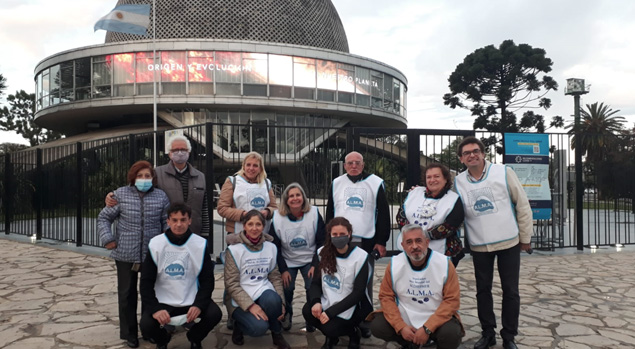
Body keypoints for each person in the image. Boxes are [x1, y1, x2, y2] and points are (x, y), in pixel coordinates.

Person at [453, 136, 532, 349]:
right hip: (479, 244)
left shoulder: (503, 172)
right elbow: (447, 204)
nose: (472, 155)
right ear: (461, 159)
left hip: (508, 241)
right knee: (482, 290)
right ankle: (488, 332)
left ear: (483, 153)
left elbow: (522, 204)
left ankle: (509, 336)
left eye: (475, 151)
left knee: (511, 290)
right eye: (467, 153)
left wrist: (525, 237)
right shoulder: (458, 182)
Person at [98, 160, 170, 348]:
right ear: (133, 177)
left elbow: (166, 222)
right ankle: (129, 333)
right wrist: (108, 238)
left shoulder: (161, 196)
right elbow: (104, 217)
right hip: (125, 254)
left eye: (147, 176)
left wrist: (166, 243)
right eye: (140, 176)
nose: (144, 179)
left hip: (151, 254)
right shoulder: (120, 194)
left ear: (153, 178)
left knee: (150, 294)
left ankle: (149, 330)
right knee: (126, 294)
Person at [139, 203, 222, 349]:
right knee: (146, 325)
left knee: (214, 314)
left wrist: (198, 304)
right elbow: (146, 282)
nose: (179, 224)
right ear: (168, 221)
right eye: (174, 220)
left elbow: (207, 280)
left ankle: (195, 337)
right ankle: (163, 340)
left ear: (189, 220)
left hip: (190, 299)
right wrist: (155, 308)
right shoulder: (156, 244)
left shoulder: (200, 244)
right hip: (164, 301)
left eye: (183, 220)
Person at [326, 151, 390, 337]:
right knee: (340, 280)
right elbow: (330, 212)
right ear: (345, 165)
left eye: (357, 163)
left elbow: (384, 214)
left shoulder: (375, 183)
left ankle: (363, 321)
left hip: (366, 241)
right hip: (340, 240)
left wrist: (381, 241)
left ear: (363, 165)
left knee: (364, 284)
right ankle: (338, 317)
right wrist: (328, 240)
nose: (354, 166)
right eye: (350, 163)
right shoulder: (336, 183)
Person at [369, 224, 464, 349]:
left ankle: (431, 341)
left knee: (452, 333)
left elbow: (452, 301)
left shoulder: (444, 264)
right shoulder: (395, 264)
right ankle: (408, 342)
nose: (414, 246)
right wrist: (401, 327)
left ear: (427, 242)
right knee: (377, 325)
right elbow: (386, 296)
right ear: (403, 246)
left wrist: (427, 328)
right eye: (409, 242)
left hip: (435, 318)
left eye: (418, 241)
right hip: (406, 318)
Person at [106, 135, 210, 237]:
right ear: (169, 154)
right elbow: (137, 190)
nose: (180, 153)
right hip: (166, 234)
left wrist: (205, 233)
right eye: (175, 150)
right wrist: (112, 195)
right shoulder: (157, 173)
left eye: (183, 149)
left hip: (194, 233)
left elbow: (204, 208)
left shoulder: (200, 176)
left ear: (189, 152)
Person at [223, 210, 291, 349]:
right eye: (250, 224)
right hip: (239, 296)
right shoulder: (234, 250)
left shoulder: (270, 247)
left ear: (263, 226)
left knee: (274, 301)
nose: (254, 228)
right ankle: (238, 325)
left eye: (258, 224)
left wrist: (282, 303)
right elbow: (231, 283)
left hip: (262, 290)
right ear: (244, 226)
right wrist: (250, 306)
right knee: (258, 328)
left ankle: (277, 334)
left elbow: (275, 277)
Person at [302, 217, 371, 349]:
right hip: (328, 299)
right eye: (335, 234)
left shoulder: (360, 256)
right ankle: (332, 337)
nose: (338, 237)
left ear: (349, 234)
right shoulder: (322, 253)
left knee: (330, 327)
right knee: (307, 311)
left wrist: (330, 313)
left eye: (342, 234)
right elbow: (315, 283)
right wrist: (316, 301)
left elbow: (358, 293)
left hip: (352, 306)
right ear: (330, 235)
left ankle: (353, 333)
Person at [270, 183, 326, 332]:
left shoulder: (313, 213)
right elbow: (275, 246)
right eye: (291, 196)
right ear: (286, 200)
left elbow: (322, 241)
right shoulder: (277, 217)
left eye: (298, 195)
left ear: (303, 197)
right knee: (287, 288)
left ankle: (311, 317)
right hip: (288, 259)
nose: (295, 198)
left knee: (311, 287)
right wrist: (283, 269)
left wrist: (315, 264)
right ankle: (287, 314)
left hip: (310, 258)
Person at [396, 163, 465, 266]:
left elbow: (451, 225)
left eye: (437, 176)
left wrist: (422, 236)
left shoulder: (454, 199)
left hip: (444, 250)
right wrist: (411, 235)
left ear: (445, 179)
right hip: (411, 248)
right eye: (429, 177)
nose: (432, 180)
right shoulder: (414, 193)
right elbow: (401, 216)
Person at [217, 151, 277, 235]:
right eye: (248, 165)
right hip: (237, 234)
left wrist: (267, 212)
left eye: (255, 165)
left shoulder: (266, 183)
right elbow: (222, 208)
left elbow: (274, 208)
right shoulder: (232, 181)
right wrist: (243, 215)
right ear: (244, 166)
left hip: (262, 234)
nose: (251, 168)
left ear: (260, 168)